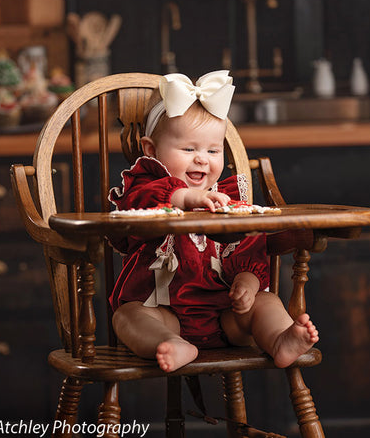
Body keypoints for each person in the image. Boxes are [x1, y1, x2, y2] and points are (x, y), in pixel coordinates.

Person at [107, 71, 318, 373]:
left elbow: (249, 246)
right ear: (152, 151)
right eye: (189, 149)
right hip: (166, 316)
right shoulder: (143, 189)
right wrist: (183, 198)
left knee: (266, 301)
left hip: (226, 318)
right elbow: (132, 211)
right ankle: (170, 344)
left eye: (213, 150)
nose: (202, 159)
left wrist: (248, 281)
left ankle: (279, 339)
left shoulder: (228, 199)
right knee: (126, 317)